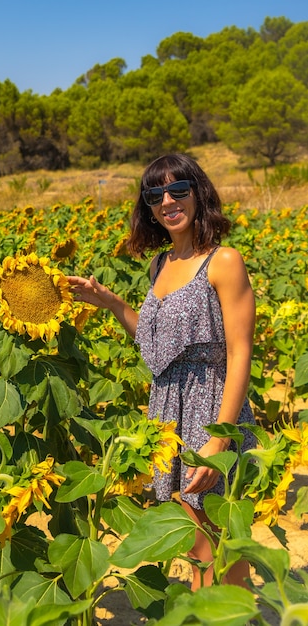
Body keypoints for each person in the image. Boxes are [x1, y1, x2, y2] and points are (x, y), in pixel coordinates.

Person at [68, 153, 256, 589]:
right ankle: (221, 611)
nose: (167, 201)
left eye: (177, 190)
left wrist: (219, 438)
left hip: (211, 406)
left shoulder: (223, 261)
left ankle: (222, 614)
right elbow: (158, 347)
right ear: (147, 207)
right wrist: (113, 303)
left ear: (198, 193)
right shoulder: (160, 266)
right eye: (155, 194)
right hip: (170, 408)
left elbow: (240, 352)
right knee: (197, 537)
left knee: (215, 538)